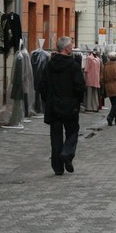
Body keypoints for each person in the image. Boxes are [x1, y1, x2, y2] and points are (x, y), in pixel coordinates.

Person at [39, 36, 86, 175]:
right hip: (70, 105)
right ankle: (67, 152)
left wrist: (47, 100)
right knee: (72, 132)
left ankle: (58, 168)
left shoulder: (49, 65)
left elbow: (42, 85)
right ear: (66, 48)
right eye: (71, 45)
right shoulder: (73, 66)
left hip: (53, 105)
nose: (72, 47)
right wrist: (78, 101)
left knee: (55, 137)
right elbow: (79, 86)